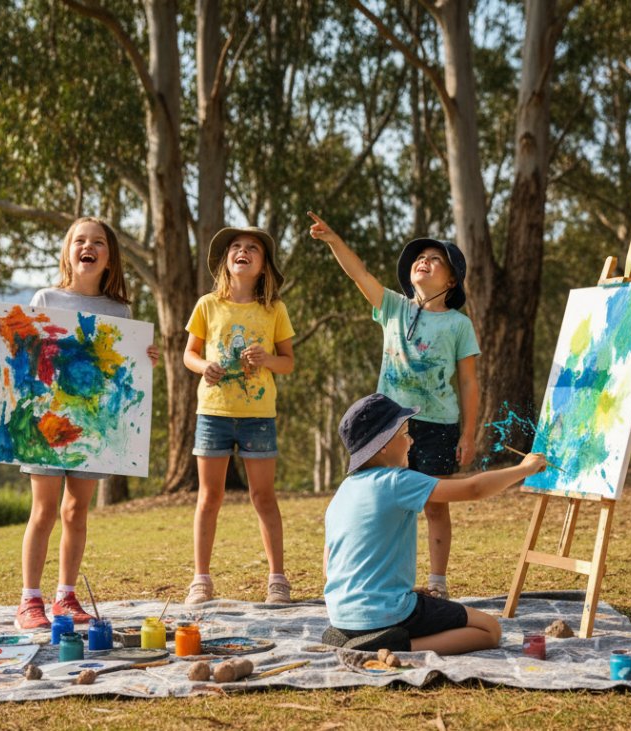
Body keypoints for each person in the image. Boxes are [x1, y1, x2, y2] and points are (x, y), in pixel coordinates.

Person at [0, 216, 159, 630]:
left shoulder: (120, 310)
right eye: (80, 240)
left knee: (77, 509)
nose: (89, 246)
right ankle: (30, 600)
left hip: (93, 425)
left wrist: (143, 358)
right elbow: (23, 350)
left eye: (98, 242)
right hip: (43, 419)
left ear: (109, 257)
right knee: (44, 510)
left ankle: (66, 597)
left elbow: (122, 364)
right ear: (68, 252)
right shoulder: (47, 297)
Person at [308, 212, 479, 600]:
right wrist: (334, 240)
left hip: (439, 426)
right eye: (421, 257)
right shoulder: (392, 307)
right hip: (387, 428)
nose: (425, 261)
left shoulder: (458, 325)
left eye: (436, 259)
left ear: (451, 280)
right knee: (378, 501)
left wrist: (468, 433)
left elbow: (469, 382)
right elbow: (359, 274)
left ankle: (436, 583)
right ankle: (362, 575)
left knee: (436, 504)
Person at [322, 393, 546, 654]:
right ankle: (395, 645)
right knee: (489, 630)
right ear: (383, 444)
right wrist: (524, 469)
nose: (412, 441)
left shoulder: (342, 492)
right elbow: (472, 489)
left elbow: (330, 570)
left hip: (341, 617)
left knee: (438, 613)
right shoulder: (395, 481)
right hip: (385, 615)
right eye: (405, 434)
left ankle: (361, 636)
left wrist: (395, 588)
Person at [183, 226, 295, 605]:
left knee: (263, 496)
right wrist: (203, 367)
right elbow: (189, 354)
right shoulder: (207, 305)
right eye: (236, 247)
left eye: (252, 249)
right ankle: (201, 579)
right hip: (212, 413)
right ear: (227, 261)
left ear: (263, 266)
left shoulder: (274, 309)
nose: (242, 252)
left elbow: (289, 363)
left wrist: (267, 360)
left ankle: (277, 580)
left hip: (259, 416)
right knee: (208, 497)